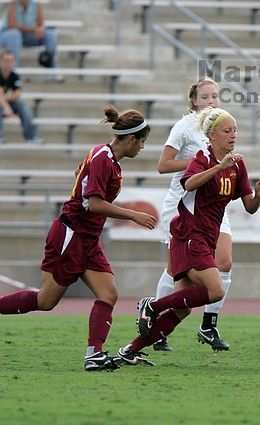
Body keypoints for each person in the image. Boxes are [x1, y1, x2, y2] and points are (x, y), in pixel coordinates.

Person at [0, 106, 157, 371]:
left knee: (108, 294)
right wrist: (133, 215)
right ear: (131, 139)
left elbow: (78, 175)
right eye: (142, 141)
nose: (142, 147)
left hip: (88, 239)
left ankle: (93, 355)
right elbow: (93, 203)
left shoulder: (103, 156)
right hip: (70, 235)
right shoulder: (103, 159)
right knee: (46, 301)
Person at [116, 107, 260, 366]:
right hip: (188, 235)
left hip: (206, 240)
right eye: (227, 130)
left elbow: (249, 207)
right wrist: (218, 167)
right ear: (211, 134)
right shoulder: (202, 158)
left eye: (235, 130)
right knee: (215, 290)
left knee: (182, 309)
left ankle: (129, 350)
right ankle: (152, 306)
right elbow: (188, 184)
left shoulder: (237, 164)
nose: (233, 135)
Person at [150, 77, 235, 352]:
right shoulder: (185, 126)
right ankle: (155, 322)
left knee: (225, 262)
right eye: (206, 97)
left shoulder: (222, 123)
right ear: (194, 101)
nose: (212, 101)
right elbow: (163, 165)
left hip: (214, 206)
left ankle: (209, 324)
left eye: (215, 96)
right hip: (183, 205)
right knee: (176, 271)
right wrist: (203, 162)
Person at [5, 0, 60, 76]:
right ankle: (12, 69)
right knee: (15, 34)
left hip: (29, 36)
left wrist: (40, 30)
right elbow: (11, 26)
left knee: (50, 34)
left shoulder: (36, 4)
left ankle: (52, 66)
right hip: (11, 36)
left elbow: (41, 24)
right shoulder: (13, 4)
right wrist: (33, 29)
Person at [0, 49, 41, 143]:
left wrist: (5, 101)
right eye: (6, 61)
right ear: (0, 61)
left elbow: (17, 93)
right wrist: (6, 106)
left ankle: (32, 137)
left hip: (4, 103)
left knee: (22, 104)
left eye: (11, 61)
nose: (8, 63)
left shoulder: (14, 75)